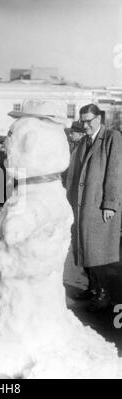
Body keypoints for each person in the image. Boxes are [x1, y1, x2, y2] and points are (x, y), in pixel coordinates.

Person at [66, 103, 122, 311]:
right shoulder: (85, 141)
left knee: (97, 251)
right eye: (83, 121)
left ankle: (103, 293)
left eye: (88, 121)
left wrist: (110, 204)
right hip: (83, 204)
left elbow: (115, 172)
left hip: (99, 204)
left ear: (99, 118)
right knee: (84, 248)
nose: (85, 125)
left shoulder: (112, 137)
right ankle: (92, 288)